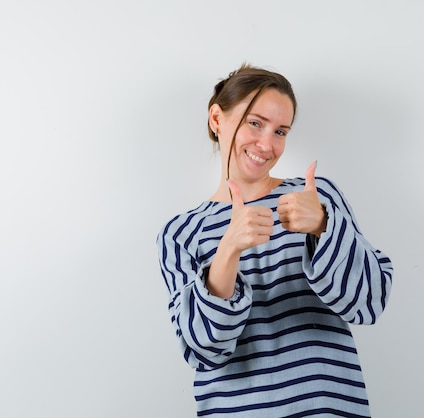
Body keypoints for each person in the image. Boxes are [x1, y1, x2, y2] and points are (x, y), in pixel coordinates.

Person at [156, 64, 393, 417]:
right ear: (217, 119)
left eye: (280, 131)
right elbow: (202, 350)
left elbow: (370, 301)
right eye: (255, 123)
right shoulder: (180, 232)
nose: (267, 144)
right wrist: (228, 250)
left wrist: (324, 227)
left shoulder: (315, 197)